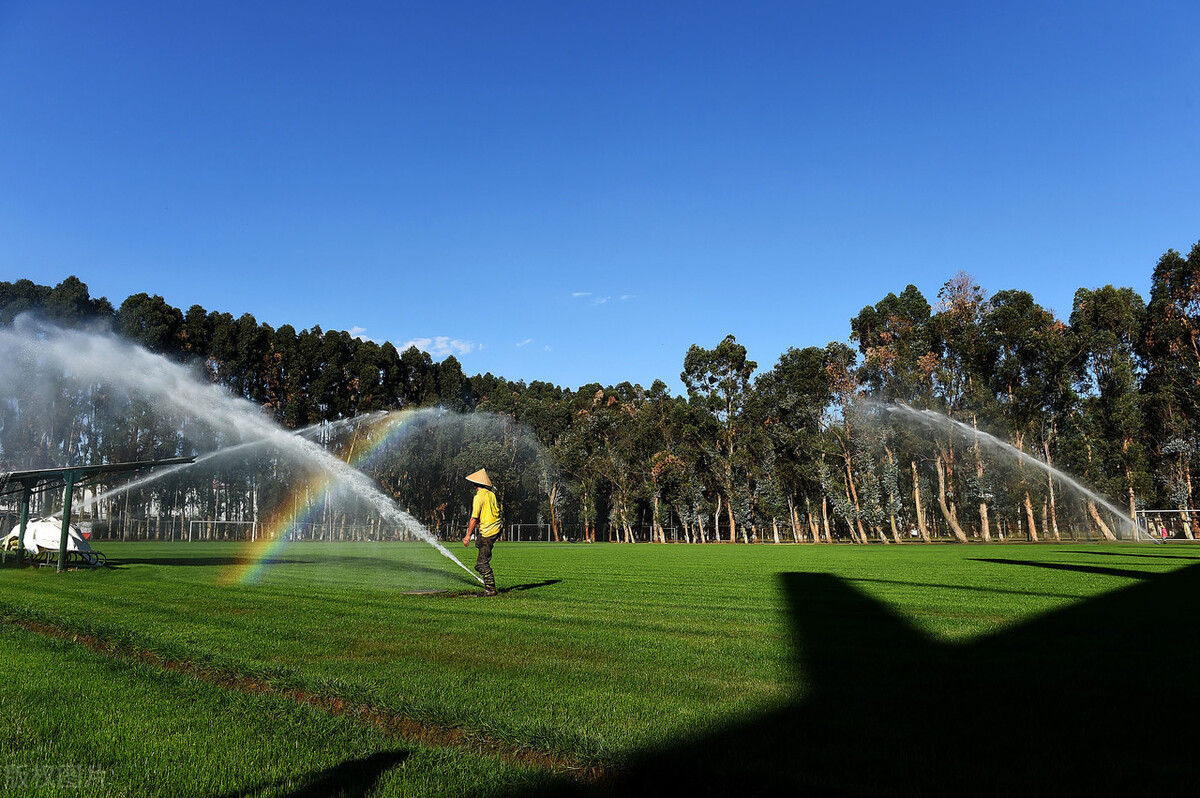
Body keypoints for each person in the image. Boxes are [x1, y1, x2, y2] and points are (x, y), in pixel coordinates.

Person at [461, 468, 501, 596]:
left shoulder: (478, 497)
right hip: (496, 528)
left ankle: (490, 590)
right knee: (480, 542)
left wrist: (467, 536)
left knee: (482, 563)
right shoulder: (491, 494)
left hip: (488, 531)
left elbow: (474, 518)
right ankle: (480, 566)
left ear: (474, 484)